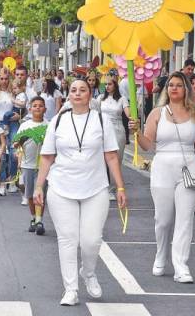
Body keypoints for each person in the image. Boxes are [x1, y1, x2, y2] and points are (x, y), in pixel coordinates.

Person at [34, 79, 127, 305]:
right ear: (69, 95)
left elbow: (112, 156)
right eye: (73, 90)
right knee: (67, 239)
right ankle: (71, 289)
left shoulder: (101, 120)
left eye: (82, 90)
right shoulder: (58, 121)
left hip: (95, 187)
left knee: (91, 240)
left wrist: (121, 186)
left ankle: (89, 272)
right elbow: (47, 156)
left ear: (90, 95)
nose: (77, 93)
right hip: (61, 187)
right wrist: (39, 186)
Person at [130, 71, 195, 284]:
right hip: (162, 167)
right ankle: (161, 255)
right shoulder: (157, 113)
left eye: (179, 85)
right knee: (163, 219)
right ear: (166, 89)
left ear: (186, 89)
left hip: (188, 168)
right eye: (171, 85)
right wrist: (136, 132)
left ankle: (181, 265)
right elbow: (147, 145)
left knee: (185, 219)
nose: (174, 88)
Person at [14, 96, 47, 235]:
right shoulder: (25, 125)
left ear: (45, 109)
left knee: (40, 194)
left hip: (43, 166)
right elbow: (16, 144)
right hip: (27, 165)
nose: (38, 108)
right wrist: (19, 144)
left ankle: (39, 220)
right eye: (35, 105)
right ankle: (33, 218)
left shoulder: (48, 125)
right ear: (30, 109)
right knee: (29, 195)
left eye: (40, 105)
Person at [97, 77, 130, 200]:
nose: (107, 86)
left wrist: (133, 114)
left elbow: (129, 114)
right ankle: (103, 188)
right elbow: (92, 110)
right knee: (102, 160)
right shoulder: (100, 98)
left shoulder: (122, 99)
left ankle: (113, 189)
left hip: (117, 131)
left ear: (115, 85)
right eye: (105, 84)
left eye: (109, 84)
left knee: (116, 159)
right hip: (102, 131)